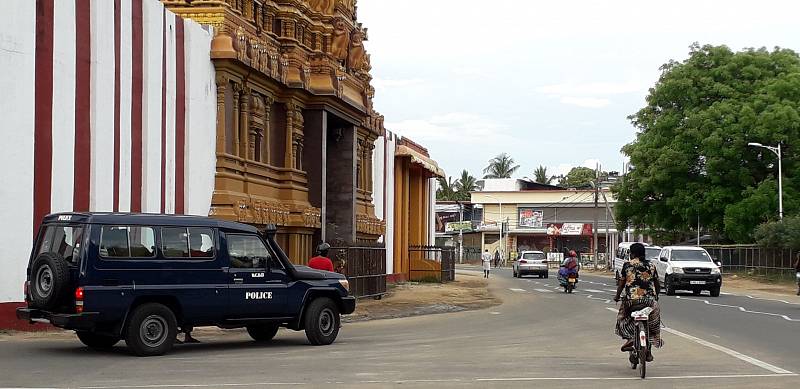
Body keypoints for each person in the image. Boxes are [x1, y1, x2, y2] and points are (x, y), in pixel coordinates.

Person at [613, 242, 662, 362]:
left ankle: (630, 338)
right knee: (654, 323)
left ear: (633, 253)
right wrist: (656, 296)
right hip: (649, 302)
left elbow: (621, 284)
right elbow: (657, 283)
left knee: (622, 319)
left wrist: (617, 296)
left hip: (631, 301)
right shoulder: (651, 265)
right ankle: (649, 350)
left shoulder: (627, 265)